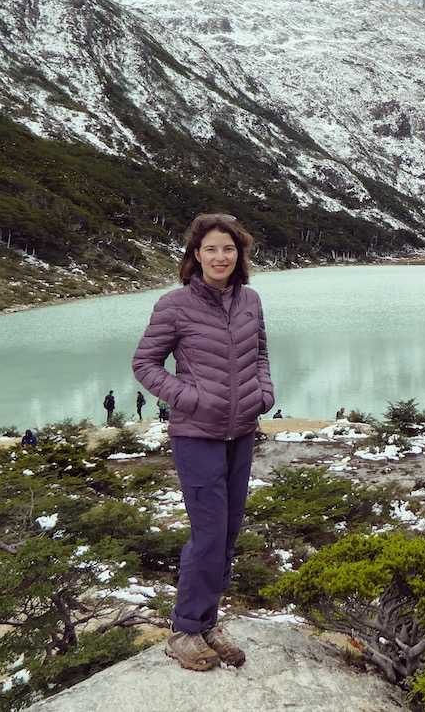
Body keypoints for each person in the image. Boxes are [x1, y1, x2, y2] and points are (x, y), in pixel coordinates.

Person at [133, 212, 274, 672]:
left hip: (242, 433)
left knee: (228, 533)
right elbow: (145, 364)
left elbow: (261, 353)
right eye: (211, 249)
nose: (220, 256)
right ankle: (185, 630)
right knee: (209, 533)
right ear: (196, 255)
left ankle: (207, 621)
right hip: (197, 435)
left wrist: (264, 393)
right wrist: (189, 398)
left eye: (228, 249)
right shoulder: (174, 305)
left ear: (240, 255)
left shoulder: (250, 299)